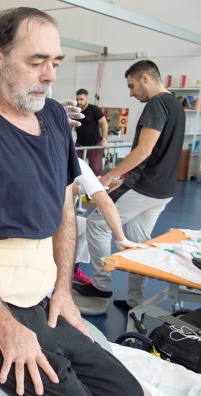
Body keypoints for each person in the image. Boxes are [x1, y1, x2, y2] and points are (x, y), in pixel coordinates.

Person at [0, 8, 142, 396]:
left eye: (54, 62)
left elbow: (63, 208)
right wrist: (6, 327)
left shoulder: (53, 118)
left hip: (35, 296)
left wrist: (64, 290)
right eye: (36, 61)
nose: (50, 74)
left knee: (126, 390)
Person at [74, 60, 185, 311]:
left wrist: (110, 176)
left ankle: (101, 284)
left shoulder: (156, 104)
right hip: (164, 190)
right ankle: (137, 301)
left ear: (146, 78)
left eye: (132, 86)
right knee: (138, 240)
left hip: (145, 187)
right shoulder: (175, 105)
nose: (131, 93)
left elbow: (144, 150)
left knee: (96, 223)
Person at [72, 158, 147, 285]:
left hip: (61, 218)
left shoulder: (77, 162)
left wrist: (97, 184)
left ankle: (73, 270)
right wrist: (121, 239)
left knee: (85, 225)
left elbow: (105, 202)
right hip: (41, 219)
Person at [74, 88, 108, 176]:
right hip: (79, 144)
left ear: (87, 99)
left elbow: (104, 123)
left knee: (96, 169)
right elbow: (70, 126)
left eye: (81, 99)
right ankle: (77, 187)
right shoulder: (75, 111)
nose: (79, 102)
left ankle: (97, 188)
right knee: (75, 166)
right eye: (77, 99)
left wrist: (104, 140)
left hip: (94, 145)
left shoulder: (94, 109)